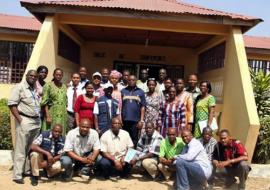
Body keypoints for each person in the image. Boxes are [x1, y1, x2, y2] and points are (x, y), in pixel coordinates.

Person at [8, 70, 41, 184]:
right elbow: (12, 104)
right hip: (25, 120)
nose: (33, 77)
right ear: (26, 76)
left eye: (35, 76)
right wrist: (20, 120)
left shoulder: (33, 89)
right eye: (31, 75)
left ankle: (26, 170)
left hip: (36, 121)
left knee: (29, 148)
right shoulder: (19, 87)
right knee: (21, 148)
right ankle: (17, 175)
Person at [121, 75, 146, 146]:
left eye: (133, 80)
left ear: (136, 81)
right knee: (124, 138)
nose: (131, 81)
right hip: (124, 120)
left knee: (134, 139)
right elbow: (120, 106)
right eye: (129, 80)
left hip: (135, 121)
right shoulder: (123, 91)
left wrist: (141, 120)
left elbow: (143, 106)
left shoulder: (141, 92)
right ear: (127, 81)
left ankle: (132, 155)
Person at [41, 68, 68, 134]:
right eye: (57, 74)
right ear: (53, 75)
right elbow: (45, 102)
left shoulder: (64, 86)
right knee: (49, 133)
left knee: (60, 133)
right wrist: (47, 116)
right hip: (51, 114)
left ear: (62, 76)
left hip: (62, 115)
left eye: (60, 75)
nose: (58, 76)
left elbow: (65, 101)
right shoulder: (48, 86)